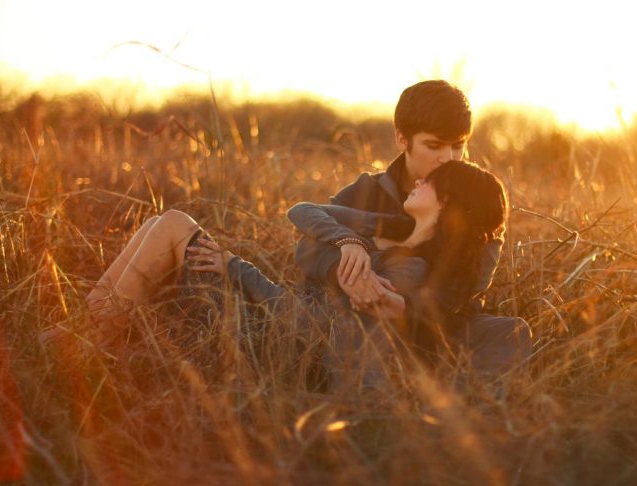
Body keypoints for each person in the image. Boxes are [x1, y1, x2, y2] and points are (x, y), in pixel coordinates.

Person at [86, 161, 518, 387]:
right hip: (264, 314)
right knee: (162, 224)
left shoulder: (407, 269)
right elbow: (303, 211)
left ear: (448, 203)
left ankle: (88, 344)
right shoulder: (389, 232)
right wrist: (348, 241)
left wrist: (236, 268)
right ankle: (88, 332)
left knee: (176, 226)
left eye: (432, 182)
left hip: (262, 340)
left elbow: (314, 327)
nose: (419, 182)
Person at [294, 80, 531, 376]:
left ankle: (464, 409)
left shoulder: (477, 199)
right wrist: (349, 267)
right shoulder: (367, 191)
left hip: (438, 328)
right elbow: (308, 245)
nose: (447, 157)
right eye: (433, 145)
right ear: (402, 139)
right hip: (362, 321)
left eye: (458, 145)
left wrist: (401, 303)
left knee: (509, 332)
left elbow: (468, 289)